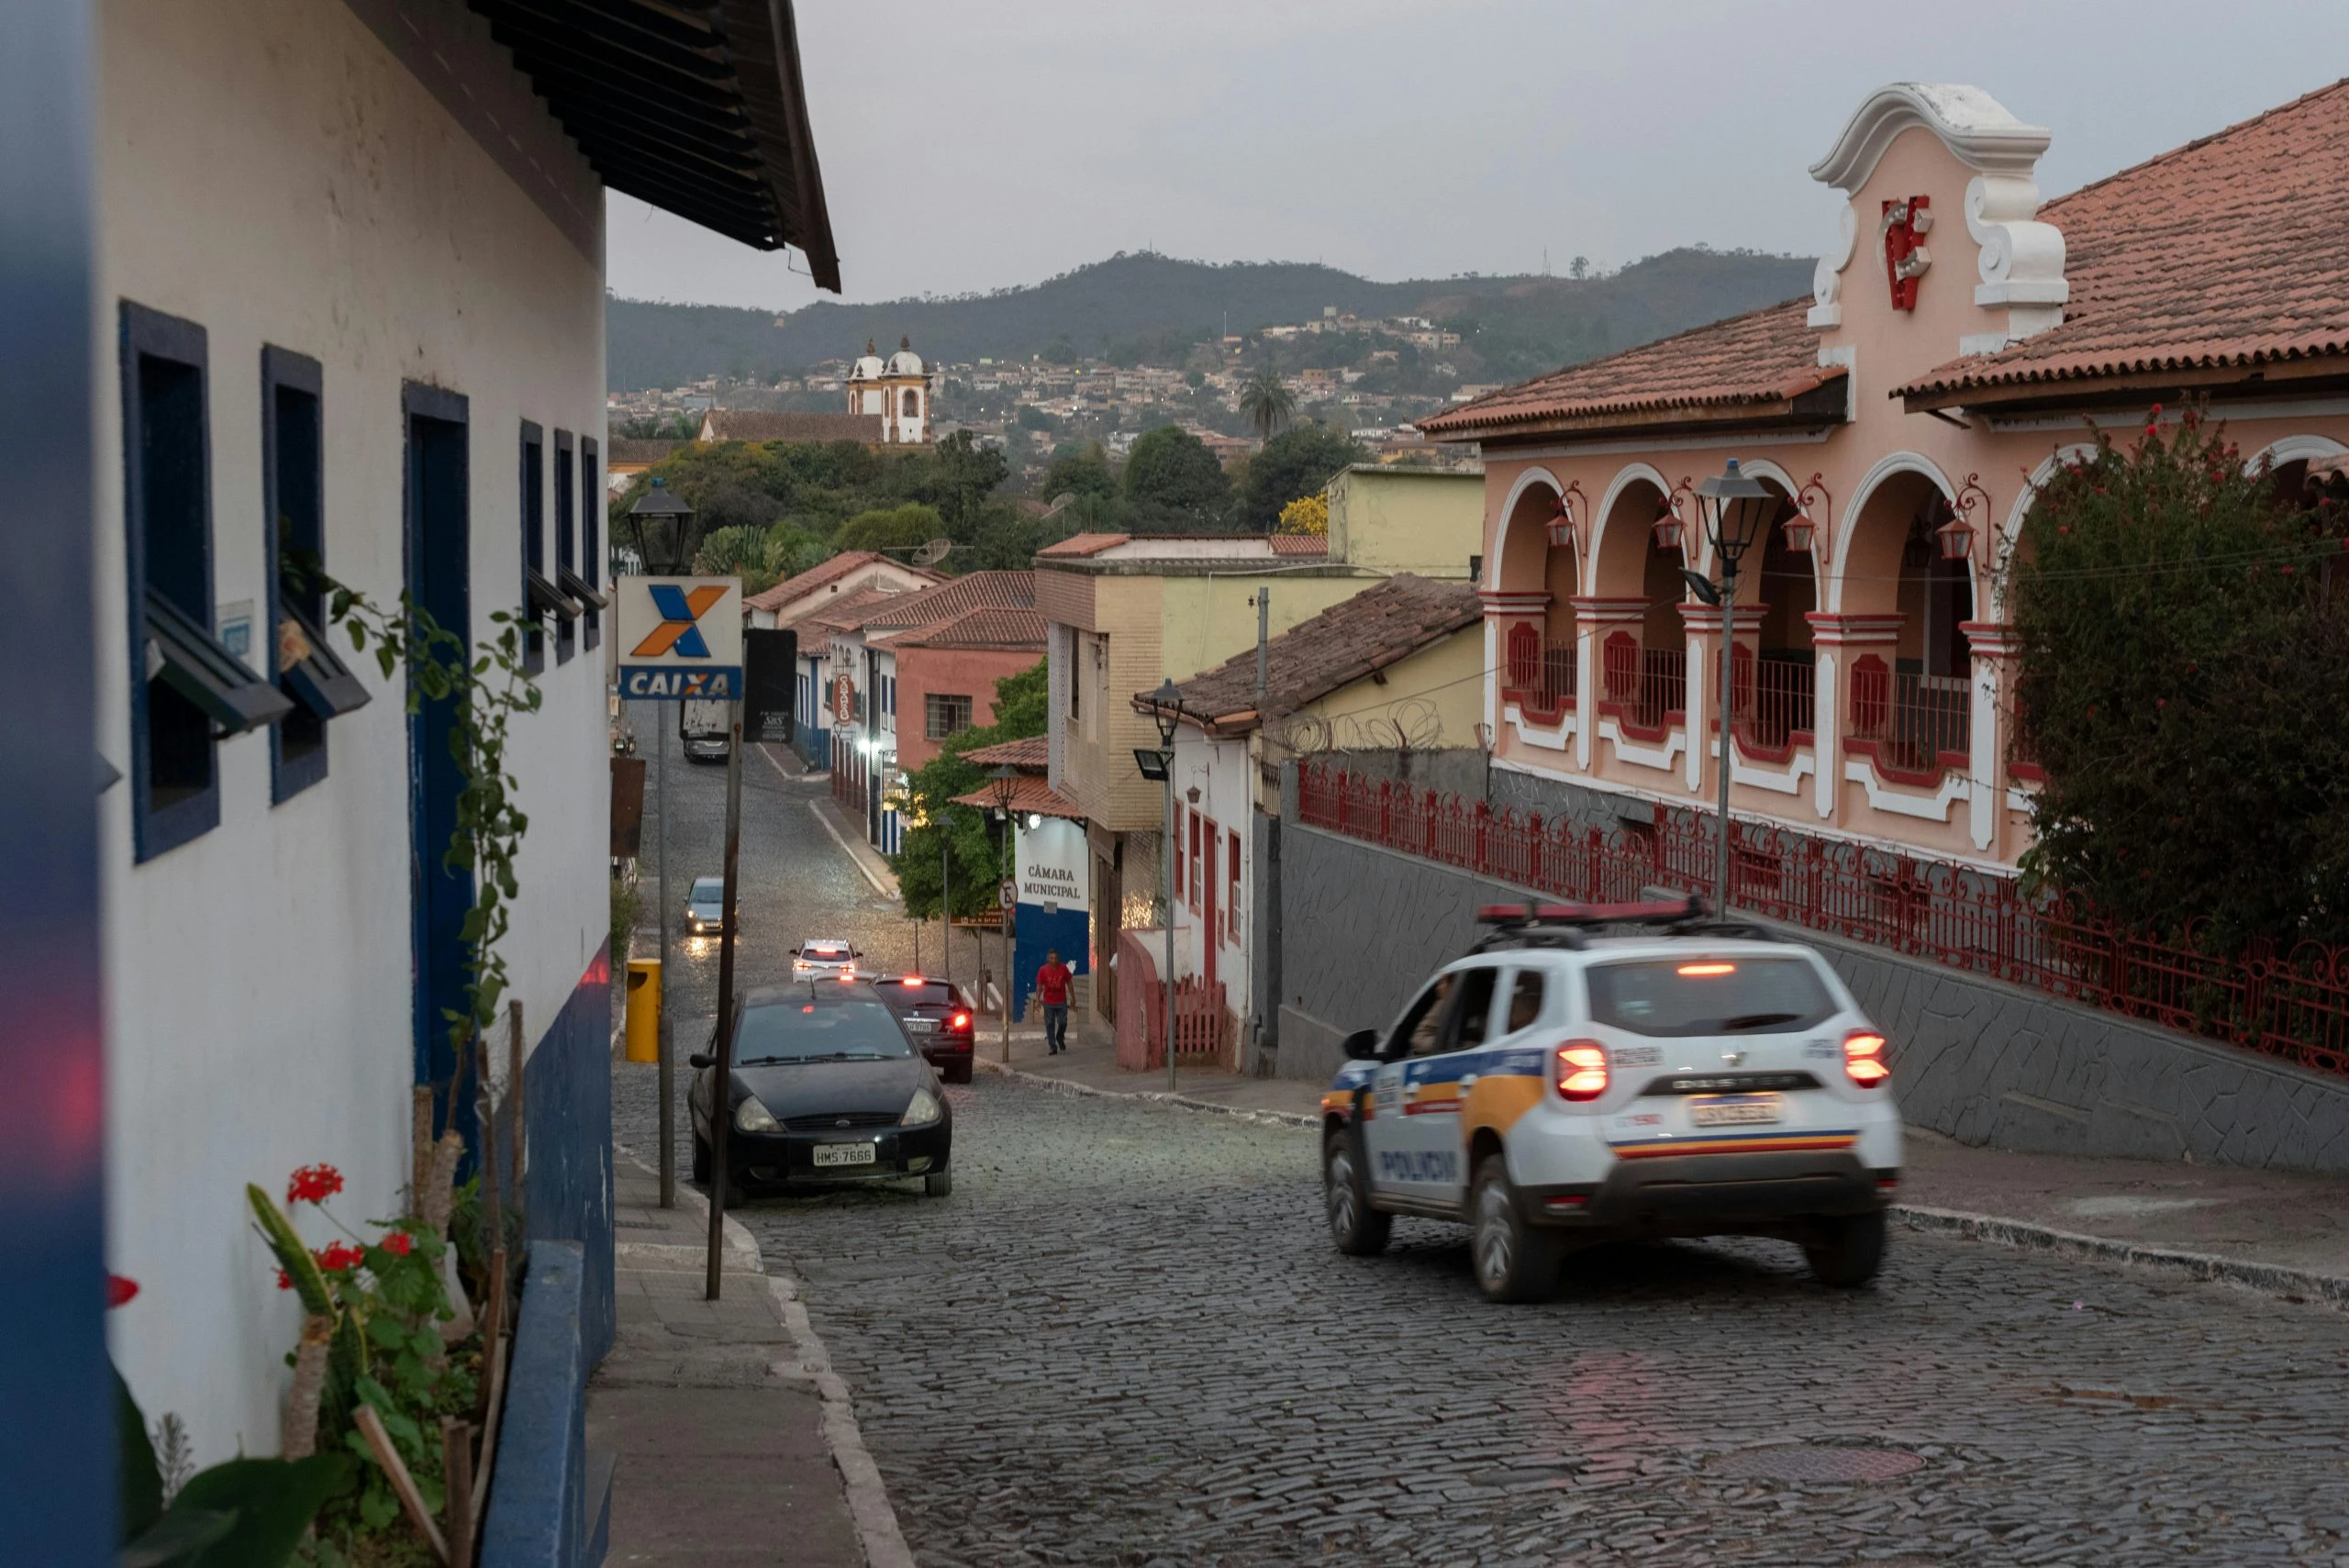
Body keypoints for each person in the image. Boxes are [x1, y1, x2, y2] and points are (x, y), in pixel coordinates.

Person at [1035, 949, 1074, 1054]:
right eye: (1051, 958)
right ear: (1048, 959)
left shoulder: (1064, 968)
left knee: (1063, 1022)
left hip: (1061, 1001)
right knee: (1050, 1023)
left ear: (1058, 958)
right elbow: (1039, 986)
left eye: (1055, 958)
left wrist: (1073, 998)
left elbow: (1069, 983)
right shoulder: (1043, 970)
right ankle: (1053, 1046)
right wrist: (1038, 1000)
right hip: (1048, 1002)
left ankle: (1060, 1037)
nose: (1054, 960)